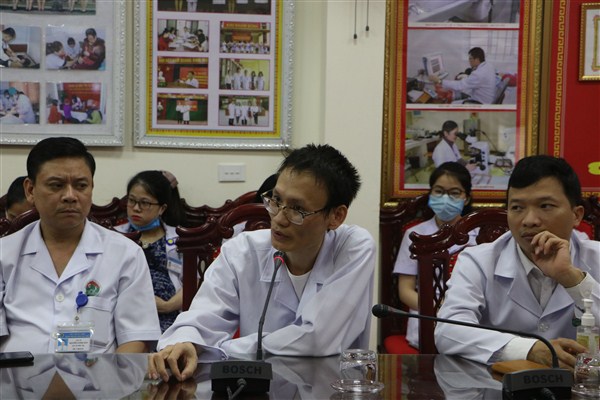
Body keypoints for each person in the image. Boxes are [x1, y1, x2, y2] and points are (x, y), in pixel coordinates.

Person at [148, 144, 375, 382]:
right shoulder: (243, 251)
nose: (278, 218)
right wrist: (186, 342)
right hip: (259, 389)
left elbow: (316, 340)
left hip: (331, 387)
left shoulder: (353, 247)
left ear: (336, 216)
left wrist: (224, 348)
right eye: (276, 200)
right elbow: (202, 318)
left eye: (297, 209)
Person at [435, 155, 599, 368]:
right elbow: (448, 332)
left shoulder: (596, 257)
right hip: (498, 383)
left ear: (576, 215)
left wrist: (572, 279)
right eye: (517, 208)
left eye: (545, 206)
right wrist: (528, 350)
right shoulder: (477, 261)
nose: (529, 220)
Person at [0, 137, 161, 353]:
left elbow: (136, 338)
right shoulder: (4, 253)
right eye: (56, 185)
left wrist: (112, 376)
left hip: (99, 374)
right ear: (30, 190)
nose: (70, 196)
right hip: (17, 374)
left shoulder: (126, 254)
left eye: (81, 186)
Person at [394, 162, 477, 350]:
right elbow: (405, 291)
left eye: (454, 193)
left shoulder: (480, 235)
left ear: (466, 198)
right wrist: (437, 309)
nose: (445, 198)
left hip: (470, 316)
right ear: (430, 194)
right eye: (439, 191)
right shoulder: (414, 234)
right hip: (427, 317)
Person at [115, 171, 187, 333]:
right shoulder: (113, 236)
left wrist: (167, 306)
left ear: (162, 208)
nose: (136, 208)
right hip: (124, 314)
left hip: (168, 316)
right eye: (131, 201)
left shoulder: (180, 239)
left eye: (145, 203)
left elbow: (192, 284)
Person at [430, 47, 497, 104]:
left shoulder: (478, 74)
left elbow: (459, 86)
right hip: (487, 100)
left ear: (477, 60)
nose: (469, 61)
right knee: (458, 93)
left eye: (470, 59)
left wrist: (439, 81)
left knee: (453, 104)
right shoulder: (488, 65)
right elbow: (478, 81)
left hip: (480, 104)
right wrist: (467, 78)